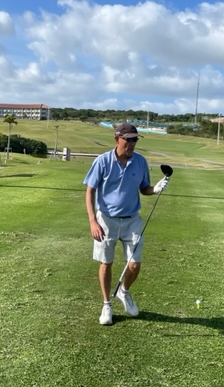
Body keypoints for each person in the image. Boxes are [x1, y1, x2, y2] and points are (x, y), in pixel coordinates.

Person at [83, 122, 168, 325]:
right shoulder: (102, 161)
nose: (132, 144)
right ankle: (106, 305)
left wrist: (155, 189)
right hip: (106, 219)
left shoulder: (140, 162)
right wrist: (93, 221)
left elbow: (144, 188)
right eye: (128, 140)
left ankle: (124, 291)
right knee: (106, 262)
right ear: (117, 139)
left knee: (135, 264)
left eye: (135, 140)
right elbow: (90, 191)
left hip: (132, 220)